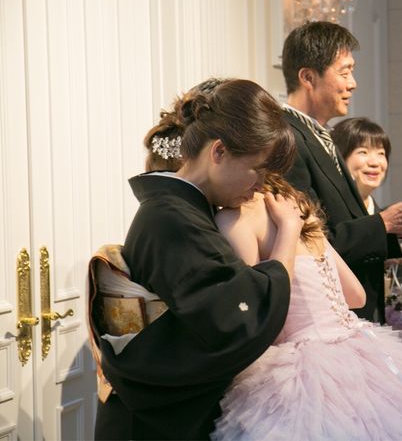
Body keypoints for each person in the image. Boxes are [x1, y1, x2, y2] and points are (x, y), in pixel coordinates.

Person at [210, 174, 402, 441]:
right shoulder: (300, 214)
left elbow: (260, 308)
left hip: (302, 361)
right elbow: (356, 296)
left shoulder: (236, 219)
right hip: (360, 346)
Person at [89, 78, 303, 440]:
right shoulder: (172, 219)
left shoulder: (179, 210)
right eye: (259, 170)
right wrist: (288, 235)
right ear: (219, 152)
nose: (262, 186)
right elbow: (241, 318)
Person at [281, 21, 402, 323]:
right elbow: (309, 240)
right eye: (344, 72)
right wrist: (384, 221)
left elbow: (346, 221)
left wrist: (396, 229)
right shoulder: (287, 139)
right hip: (330, 314)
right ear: (308, 77)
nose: (353, 83)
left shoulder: (321, 135)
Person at [331, 116, 391, 214]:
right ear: (339, 156)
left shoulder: (387, 219)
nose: (374, 163)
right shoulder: (322, 214)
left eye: (381, 153)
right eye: (363, 152)